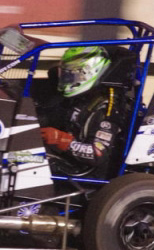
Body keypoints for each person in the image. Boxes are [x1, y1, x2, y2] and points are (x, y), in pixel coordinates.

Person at [39, 46, 127, 177]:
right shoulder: (85, 96)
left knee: (22, 158)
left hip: (83, 171)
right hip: (65, 156)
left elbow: (97, 153)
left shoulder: (105, 109)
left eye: (72, 75)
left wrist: (61, 139)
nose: (67, 79)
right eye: (65, 74)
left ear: (89, 73)